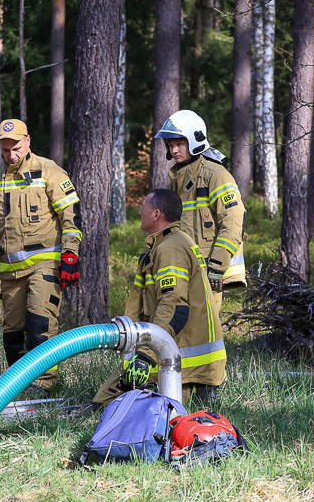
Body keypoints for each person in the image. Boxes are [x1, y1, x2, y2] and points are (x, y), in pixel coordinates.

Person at [0, 119, 82, 394]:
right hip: (10, 269)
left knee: (39, 324)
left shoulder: (48, 170)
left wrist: (70, 255)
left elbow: (71, 215)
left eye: (16, 148)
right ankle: (18, 387)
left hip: (45, 263)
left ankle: (43, 386)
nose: (11, 155)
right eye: (5, 149)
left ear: (28, 141)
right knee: (12, 333)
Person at [93, 189, 226, 407]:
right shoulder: (171, 243)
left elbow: (174, 308)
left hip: (183, 368)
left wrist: (145, 357)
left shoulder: (170, 249)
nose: (139, 212)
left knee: (106, 404)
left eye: (143, 208)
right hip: (173, 357)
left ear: (156, 214)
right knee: (105, 401)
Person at [157, 110, 246, 312]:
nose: (174, 150)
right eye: (170, 145)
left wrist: (217, 265)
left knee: (205, 328)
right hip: (181, 269)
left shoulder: (215, 175)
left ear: (195, 140)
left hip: (207, 271)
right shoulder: (177, 180)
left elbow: (233, 221)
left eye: (179, 144)